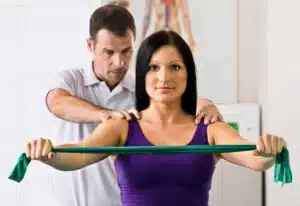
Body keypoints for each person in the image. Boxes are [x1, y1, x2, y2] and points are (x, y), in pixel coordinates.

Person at [28, 30, 287, 206]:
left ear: (188, 74)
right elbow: (80, 153)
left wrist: (269, 150)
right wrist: (48, 152)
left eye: (175, 67)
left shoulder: (209, 127)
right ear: (142, 75)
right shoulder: (122, 125)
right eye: (153, 68)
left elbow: (254, 159)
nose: (164, 78)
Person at [44, 4, 223, 206]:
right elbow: (57, 103)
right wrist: (105, 115)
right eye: (109, 52)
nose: (119, 62)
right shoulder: (71, 79)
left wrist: (208, 106)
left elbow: (180, 97)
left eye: (126, 51)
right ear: (90, 45)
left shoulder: (142, 91)